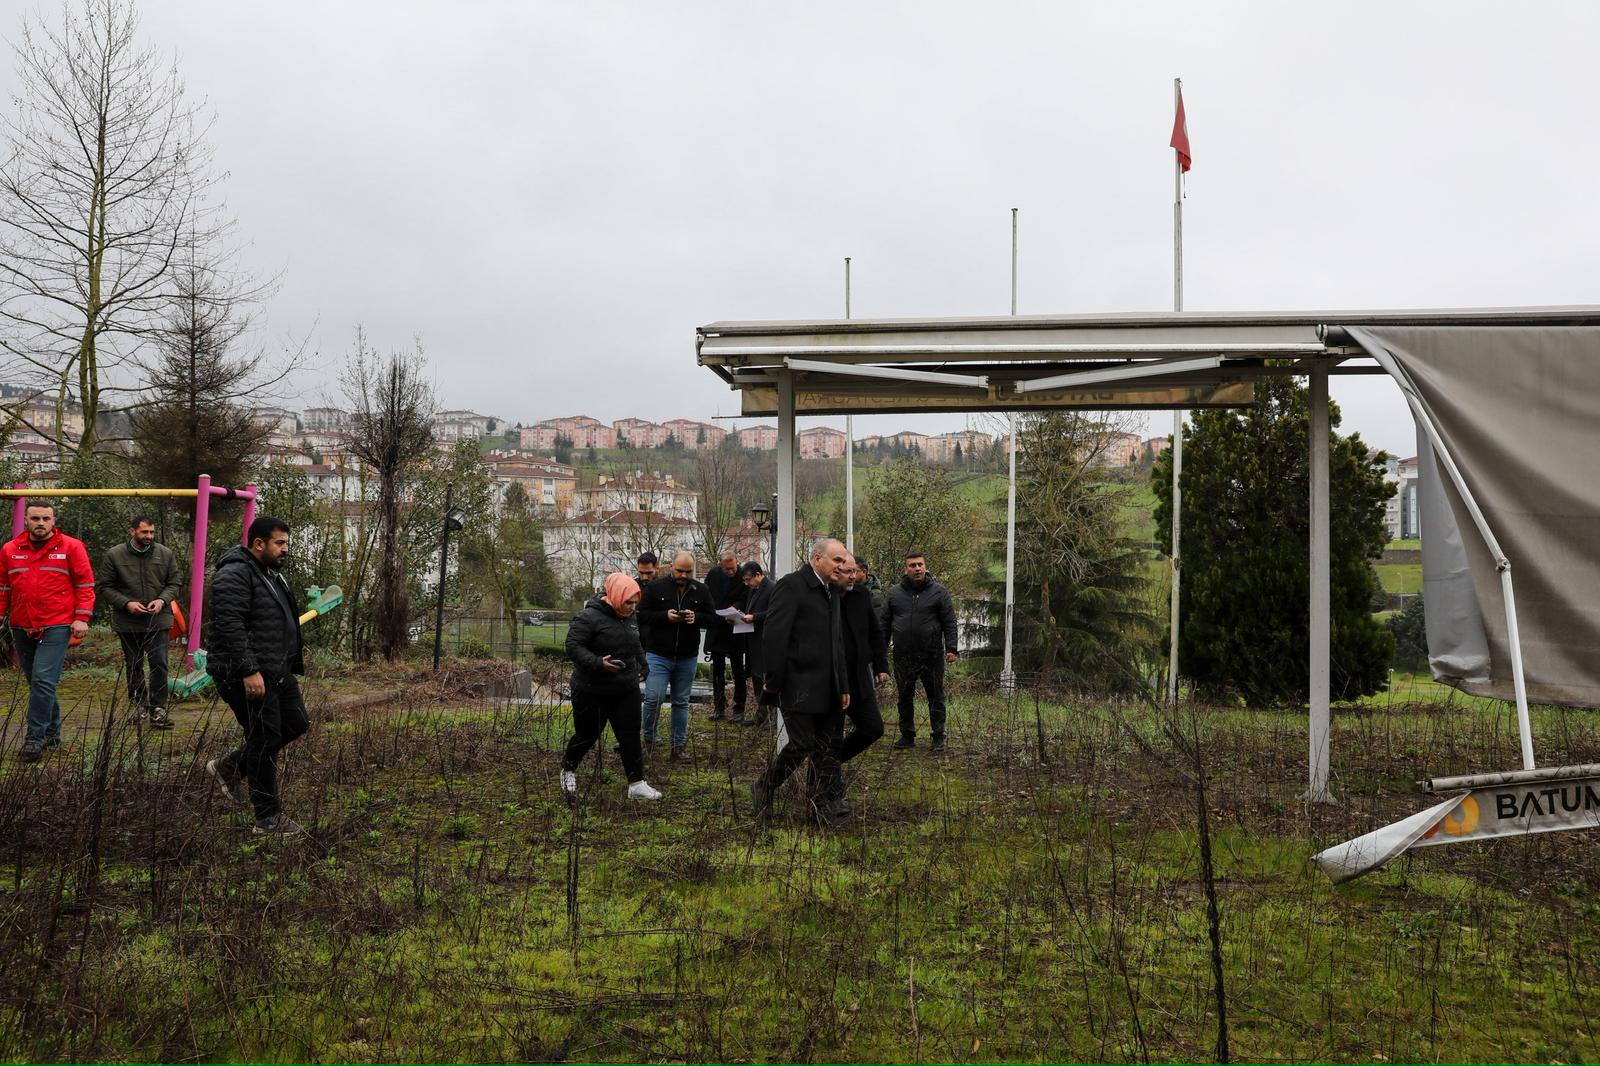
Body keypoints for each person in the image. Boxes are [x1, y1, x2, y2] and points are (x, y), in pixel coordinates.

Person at [203, 516, 309, 836]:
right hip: (245, 673)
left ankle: (230, 766)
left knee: (296, 723)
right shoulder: (235, 573)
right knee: (265, 739)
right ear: (259, 543)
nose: (285, 549)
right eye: (280, 543)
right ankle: (267, 818)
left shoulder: (271, 574)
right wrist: (249, 670)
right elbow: (229, 625)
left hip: (276, 670)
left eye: (287, 543)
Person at [748, 537, 851, 824]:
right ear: (817, 559)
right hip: (797, 683)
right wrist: (773, 679)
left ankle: (823, 804)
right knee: (802, 743)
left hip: (829, 686)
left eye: (844, 561)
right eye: (837, 560)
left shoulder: (833, 591)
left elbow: (837, 642)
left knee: (828, 746)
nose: (842, 566)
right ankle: (764, 786)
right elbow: (774, 635)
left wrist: (843, 684)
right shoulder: (791, 586)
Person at [1, 501, 94, 760]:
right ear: (26, 521)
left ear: (53, 521)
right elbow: (3, 586)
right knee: (37, 682)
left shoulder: (72, 547)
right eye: (35, 518)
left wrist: (82, 617)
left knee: (43, 679)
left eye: (45, 518)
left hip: (57, 624)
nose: (40, 523)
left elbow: (85, 584)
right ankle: (52, 734)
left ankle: (34, 739)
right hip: (22, 624)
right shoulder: (10, 549)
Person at [561, 572, 661, 801]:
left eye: (636, 602)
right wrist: (598, 663)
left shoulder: (630, 617)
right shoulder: (588, 617)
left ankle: (636, 783)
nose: (633, 607)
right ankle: (568, 769)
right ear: (615, 596)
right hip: (591, 689)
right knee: (587, 734)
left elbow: (635, 643)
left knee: (630, 735)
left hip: (625, 688)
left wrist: (644, 666)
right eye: (628, 602)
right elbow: (573, 646)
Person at [97, 514, 182, 729]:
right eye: (145, 532)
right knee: (133, 664)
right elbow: (105, 587)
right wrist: (126, 603)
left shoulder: (165, 554)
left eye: (152, 532)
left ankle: (158, 708)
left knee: (159, 663)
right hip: (128, 620)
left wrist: (162, 600)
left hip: (158, 619)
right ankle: (139, 706)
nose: (149, 536)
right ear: (132, 531)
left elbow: (174, 583)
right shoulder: (115, 555)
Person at [637, 550, 712, 761]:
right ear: (671, 567)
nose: (684, 575)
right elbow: (641, 614)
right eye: (680, 571)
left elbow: (713, 618)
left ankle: (678, 747)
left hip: (687, 656)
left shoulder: (701, 590)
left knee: (681, 702)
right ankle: (649, 741)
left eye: (688, 571)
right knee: (654, 698)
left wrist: (696, 617)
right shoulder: (655, 587)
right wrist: (665, 616)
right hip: (658, 654)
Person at [883, 551, 958, 752]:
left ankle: (938, 736)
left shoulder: (939, 592)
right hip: (903, 655)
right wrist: (880, 653)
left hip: (931, 655)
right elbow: (884, 625)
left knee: (936, 696)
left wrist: (952, 648)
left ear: (925, 567)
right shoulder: (894, 593)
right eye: (913, 565)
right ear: (905, 569)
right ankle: (907, 735)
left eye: (920, 564)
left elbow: (949, 621)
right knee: (904, 697)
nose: (917, 568)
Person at [835, 553, 889, 772]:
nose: (852, 576)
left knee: (872, 728)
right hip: (833, 679)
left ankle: (828, 764)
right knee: (831, 734)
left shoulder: (862, 594)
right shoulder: (825, 597)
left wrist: (881, 666)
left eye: (854, 571)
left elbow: (875, 632)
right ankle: (826, 777)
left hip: (859, 677)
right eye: (848, 572)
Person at [702, 549, 747, 721]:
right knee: (718, 670)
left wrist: (736, 607)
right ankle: (719, 706)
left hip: (735, 627)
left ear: (737, 562)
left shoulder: (743, 575)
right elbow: (706, 595)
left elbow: (747, 597)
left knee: (738, 670)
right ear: (720, 565)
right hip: (716, 627)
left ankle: (739, 708)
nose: (730, 572)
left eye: (733, 568)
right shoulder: (713, 575)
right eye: (726, 569)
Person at [735, 561, 772, 726]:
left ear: (758, 574)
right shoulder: (753, 590)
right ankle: (761, 715)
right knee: (757, 678)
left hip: (765, 641)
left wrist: (754, 617)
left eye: (748, 579)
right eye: (744, 580)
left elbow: (775, 612)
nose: (746, 583)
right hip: (753, 640)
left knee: (765, 678)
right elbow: (750, 610)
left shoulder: (771, 588)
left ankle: (770, 717)